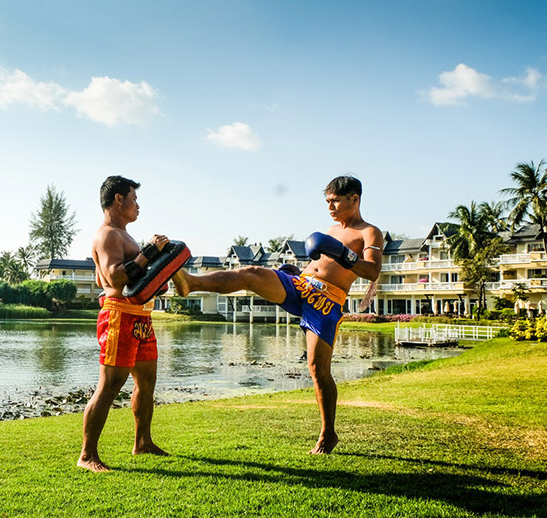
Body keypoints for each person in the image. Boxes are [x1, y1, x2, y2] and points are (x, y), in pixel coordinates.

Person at [172, 175, 383, 454]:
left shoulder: (369, 232)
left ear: (354, 200)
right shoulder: (330, 229)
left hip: (326, 302)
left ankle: (328, 433)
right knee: (251, 273)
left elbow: (372, 271)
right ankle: (192, 283)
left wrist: (343, 253)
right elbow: (319, 264)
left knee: (318, 370)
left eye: (335, 201)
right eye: (327, 201)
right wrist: (297, 271)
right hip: (300, 285)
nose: (330, 207)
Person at [78, 175, 170, 472]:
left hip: (141, 316)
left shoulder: (124, 236)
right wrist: (149, 253)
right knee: (110, 385)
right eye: (134, 198)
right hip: (119, 315)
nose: (138, 205)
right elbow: (115, 277)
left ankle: (142, 442)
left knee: (146, 384)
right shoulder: (107, 235)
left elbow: (105, 277)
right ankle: (87, 455)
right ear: (119, 199)